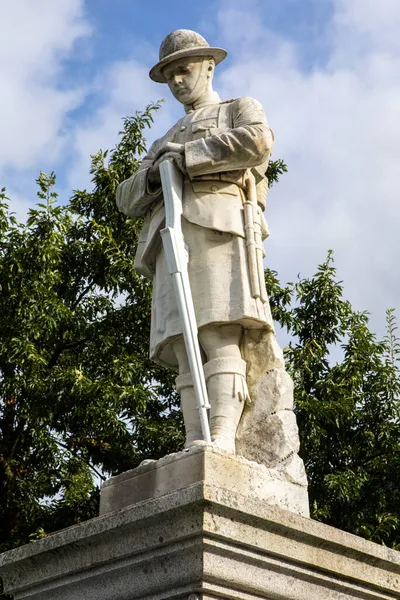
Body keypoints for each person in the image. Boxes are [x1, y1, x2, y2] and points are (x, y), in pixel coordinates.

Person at [117, 29, 276, 454]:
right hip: (171, 239)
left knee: (217, 334)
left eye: (184, 71)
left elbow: (257, 142)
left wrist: (187, 159)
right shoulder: (163, 137)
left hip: (220, 227)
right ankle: (196, 441)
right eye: (170, 76)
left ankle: (223, 437)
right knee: (186, 345)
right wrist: (155, 173)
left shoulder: (236, 109)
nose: (177, 83)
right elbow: (125, 196)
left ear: (208, 66)